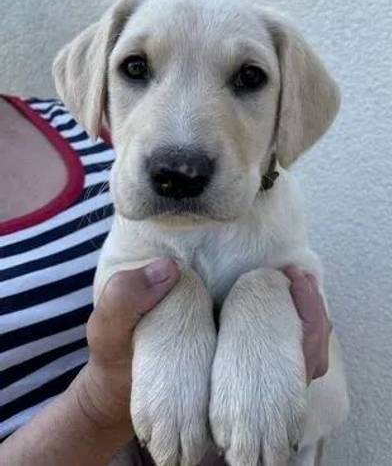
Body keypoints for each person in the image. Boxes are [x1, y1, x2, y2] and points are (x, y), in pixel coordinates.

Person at [0, 95, 332, 465]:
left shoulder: (93, 120)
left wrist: (270, 297)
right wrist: (98, 408)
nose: (183, 163)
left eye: (247, 78)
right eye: (137, 67)